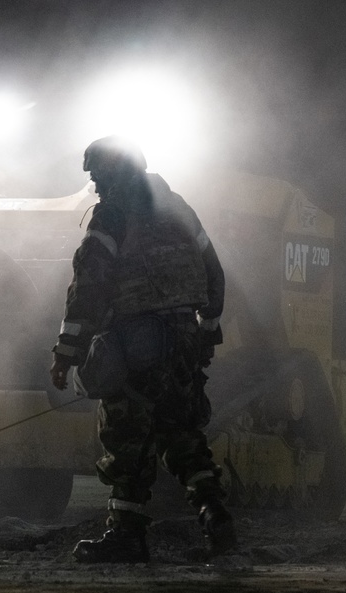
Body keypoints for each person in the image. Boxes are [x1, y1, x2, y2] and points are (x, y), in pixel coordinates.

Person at [49, 135, 234, 564]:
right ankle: (215, 515)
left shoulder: (111, 217)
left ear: (114, 174)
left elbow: (88, 291)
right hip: (184, 337)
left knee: (127, 437)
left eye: (97, 176)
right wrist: (205, 335)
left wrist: (66, 354)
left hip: (136, 341)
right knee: (181, 432)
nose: (94, 186)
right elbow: (214, 275)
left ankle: (126, 536)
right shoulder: (179, 209)